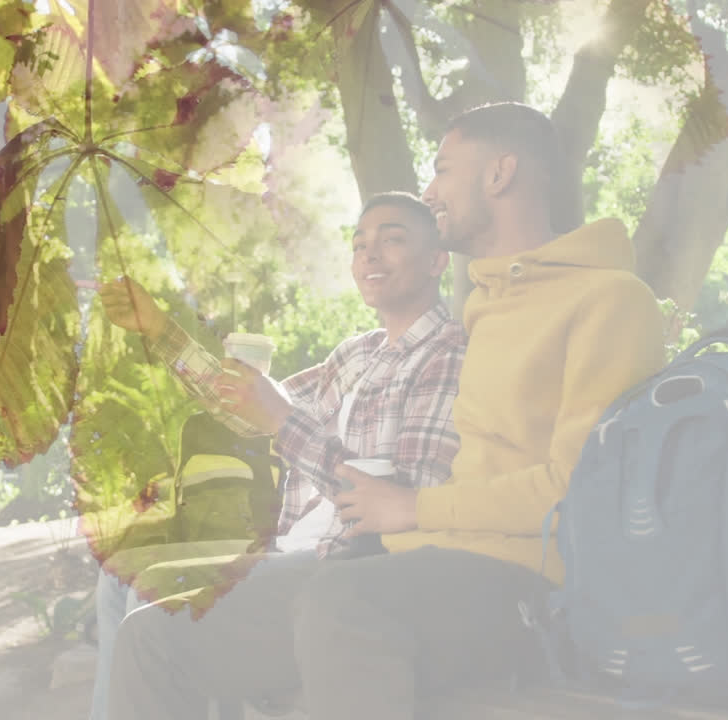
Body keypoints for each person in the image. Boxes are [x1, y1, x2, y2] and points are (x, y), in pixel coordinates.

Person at [106, 102, 668, 720]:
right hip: (414, 558)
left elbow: (579, 493)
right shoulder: (485, 307)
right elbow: (252, 405)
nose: (431, 190)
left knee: (342, 602)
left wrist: (409, 507)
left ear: (500, 173)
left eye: (444, 169)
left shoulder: (610, 299)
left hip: (526, 586)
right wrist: (161, 332)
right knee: (155, 633)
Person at [86, 191, 467, 720]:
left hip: (351, 570)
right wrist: (161, 330)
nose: (370, 255)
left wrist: (281, 420)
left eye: (392, 239)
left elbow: (400, 507)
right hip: (288, 545)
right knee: (118, 578)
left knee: (157, 608)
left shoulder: (448, 355)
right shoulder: (357, 354)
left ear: (437, 261)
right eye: (360, 245)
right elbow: (247, 407)